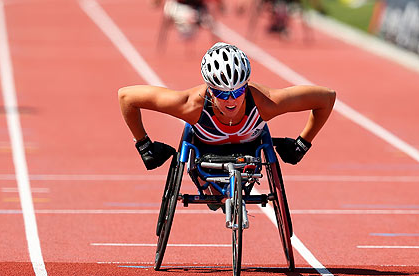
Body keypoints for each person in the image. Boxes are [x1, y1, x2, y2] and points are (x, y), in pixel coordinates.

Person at [119, 42, 335, 208]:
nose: (230, 100)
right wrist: (144, 146)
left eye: (238, 91)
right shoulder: (190, 106)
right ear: (209, 89)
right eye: (221, 93)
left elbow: (327, 98)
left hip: (250, 150)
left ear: (246, 86)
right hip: (205, 153)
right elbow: (127, 97)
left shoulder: (267, 103)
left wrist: (302, 144)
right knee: (214, 200)